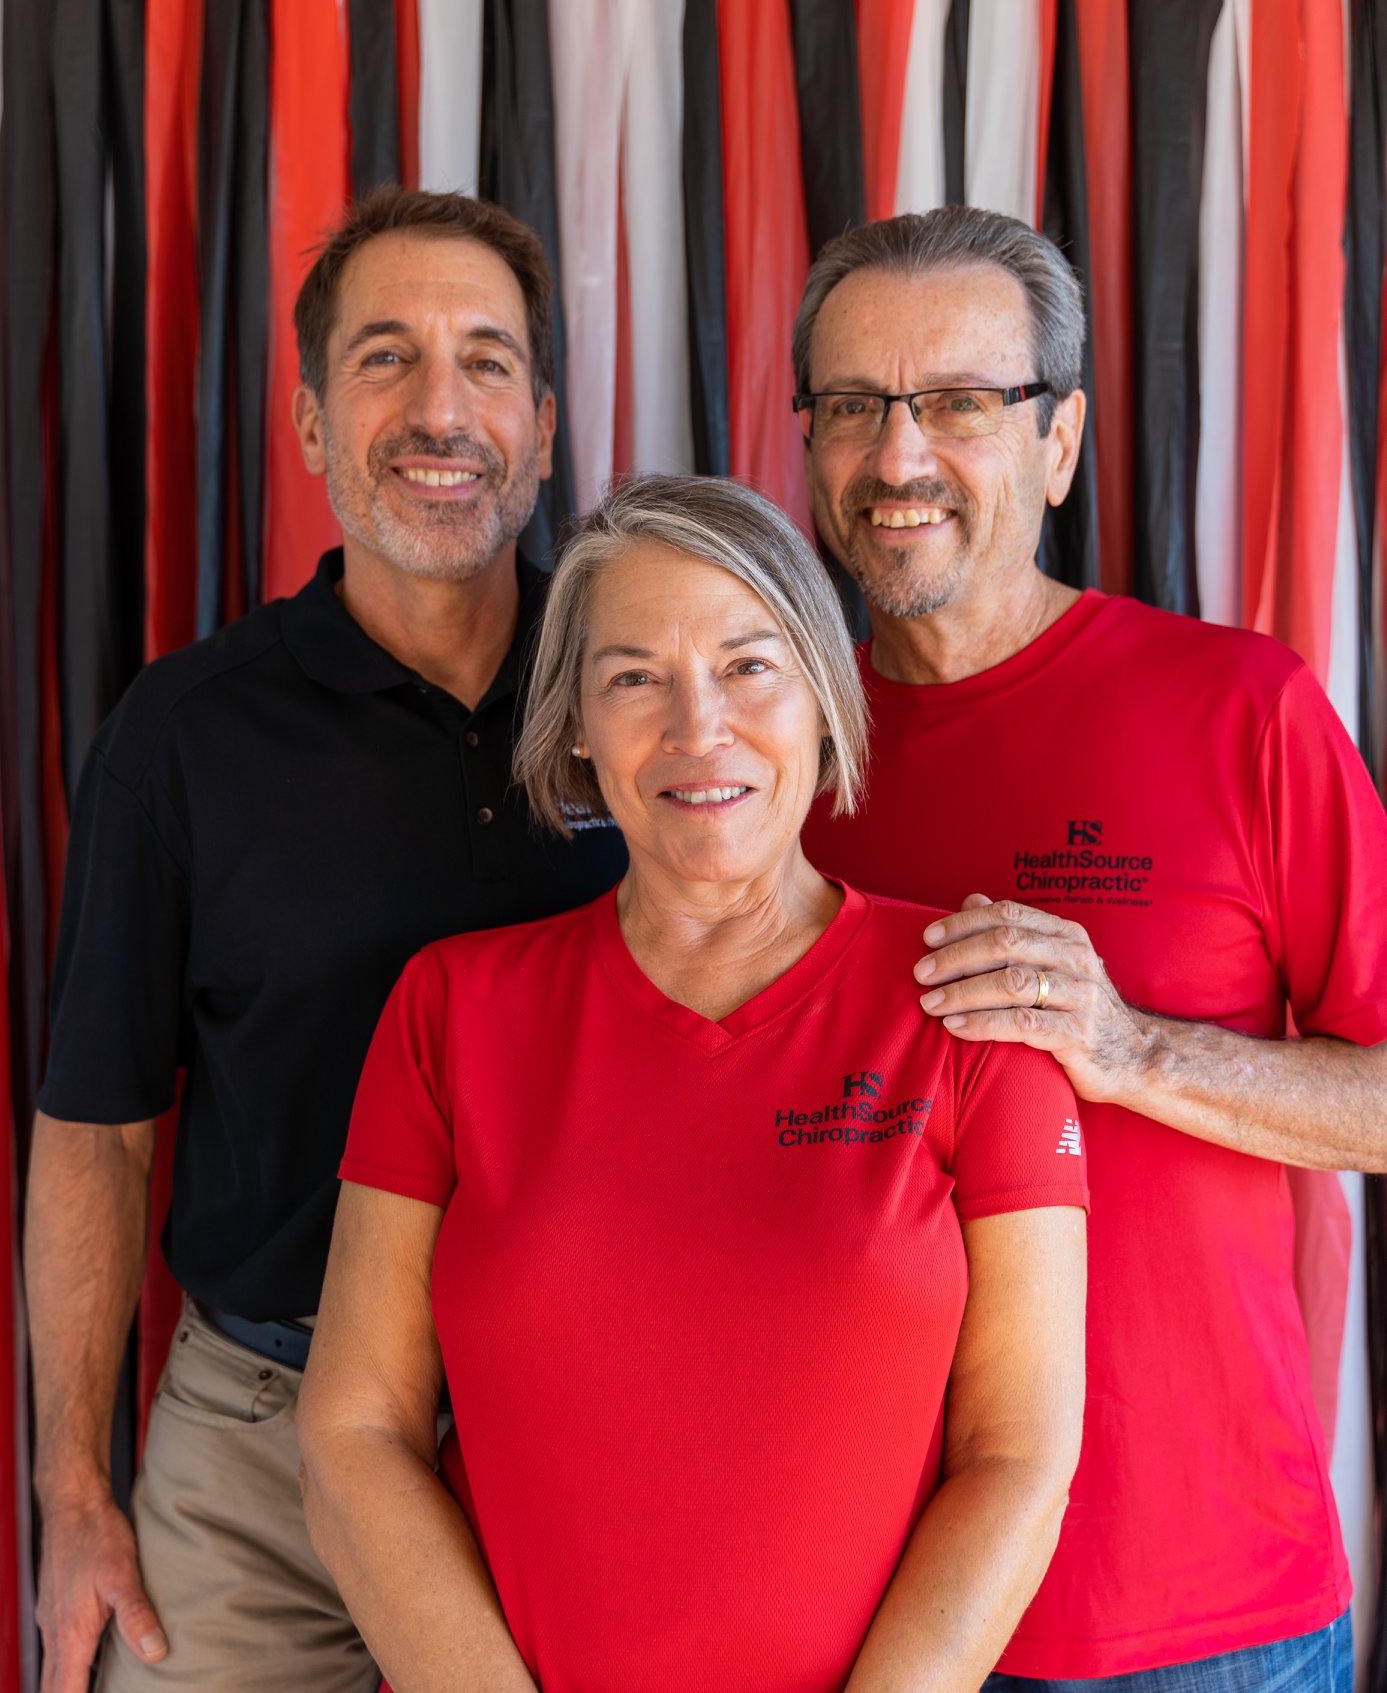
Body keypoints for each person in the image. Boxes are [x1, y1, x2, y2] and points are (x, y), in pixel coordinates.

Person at [296, 473, 1089, 1693]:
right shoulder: (451, 1008)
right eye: (633, 679)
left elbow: (1019, 1456)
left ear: (824, 694)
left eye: (748, 666)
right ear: (574, 722)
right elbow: (354, 1432)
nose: (696, 726)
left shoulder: (970, 1013)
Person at [25, 187, 626, 1693]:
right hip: (258, 1442)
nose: (442, 410)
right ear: (306, 423)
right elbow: (97, 1135)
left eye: (487, 361)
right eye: (385, 358)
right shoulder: (182, 736)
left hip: (568, 1425)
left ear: (544, 426)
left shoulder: (644, 700)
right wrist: (73, 1492)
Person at [796, 206, 1387, 1692]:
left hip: (1206, 1615)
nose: (897, 455)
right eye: (853, 405)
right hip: (871, 1623)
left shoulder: (1240, 709)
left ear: (1057, 442)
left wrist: (1133, 1051)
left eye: (957, 402)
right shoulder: (765, 761)